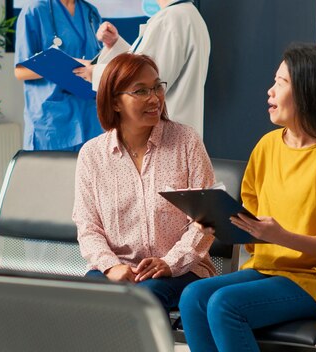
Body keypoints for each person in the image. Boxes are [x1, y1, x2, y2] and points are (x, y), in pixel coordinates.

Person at [178, 43, 316, 352]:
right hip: (271, 269)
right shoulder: (267, 146)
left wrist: (281, 236)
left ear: (309, 92)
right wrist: (216, 220)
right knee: (193, 297)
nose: (269, 92)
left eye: (280, 83)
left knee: (224, 304)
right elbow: (252, 224)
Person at [72, 53, 216, 312]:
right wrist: (111, 265)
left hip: (181, 269)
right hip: (117, 266)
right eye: (140, 91)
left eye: (157, 87)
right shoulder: (92, 155)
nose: (154, 98)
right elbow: (88, 226)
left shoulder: (187, 142)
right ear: (115, 102)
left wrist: (170, 262)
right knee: (87, 300)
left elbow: (206, 219)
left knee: (144, 299)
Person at [73, 0, 210, 136]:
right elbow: (146, 64)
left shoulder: (170, 19)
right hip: (178, 136)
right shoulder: (187, 14)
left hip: (164, 138)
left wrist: (94, 73)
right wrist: (116, 45)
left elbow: (143, 79)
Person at [14, 0, 104, 151]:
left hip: (89, 117)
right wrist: (67, 64)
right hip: (52, 122)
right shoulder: (35, 10)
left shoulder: (90, 12)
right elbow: (20, 71)